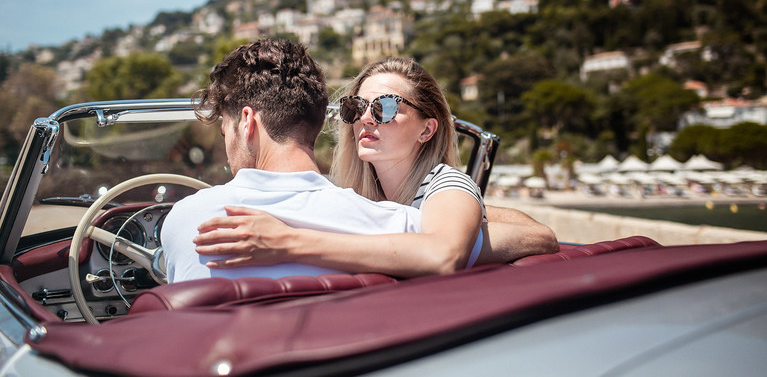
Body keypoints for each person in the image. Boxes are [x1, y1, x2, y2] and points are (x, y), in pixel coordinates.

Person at [193, 57, 559, 278]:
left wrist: (286, 243)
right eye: (356, 107)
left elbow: (443, 255)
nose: (365, 119)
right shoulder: (358, 195)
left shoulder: (446, 186)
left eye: (383, 107)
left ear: (427, 129)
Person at [161, 40, 424, 282]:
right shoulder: (401, 228)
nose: (228, 151)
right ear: (318, 123)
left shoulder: (189, 220)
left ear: (246, 122)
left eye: (224, 132)